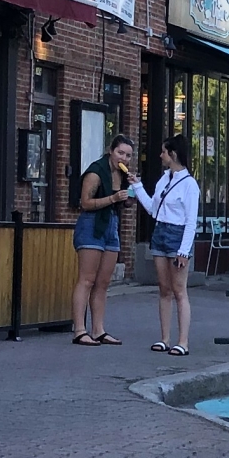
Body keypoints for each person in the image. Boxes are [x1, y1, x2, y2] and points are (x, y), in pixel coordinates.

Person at [132, 137, 201, 356]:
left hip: (177, 233)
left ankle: (183, 341)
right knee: (164, 288)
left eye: (164, 152)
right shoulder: (164, 180)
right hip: (160, 231)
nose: (160, 156)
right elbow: (153, 208)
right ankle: (164, 338)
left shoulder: (190, 185)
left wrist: (183, 250)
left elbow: (191, 221)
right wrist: (137, 185)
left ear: (173, 154)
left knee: (179, 290)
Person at [71, 136, 134, 345]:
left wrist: (131, 195)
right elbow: (85, 203)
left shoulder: (123, 176)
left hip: (111, 225)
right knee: (87, 279)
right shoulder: (96, 172)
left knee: (103, 282)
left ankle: (98, 329)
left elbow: (125, 204)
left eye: (128, 155)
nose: (123, 158)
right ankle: (79, 330)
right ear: (111, 151)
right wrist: (113, 199)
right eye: (120, 153)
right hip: (92, 224)